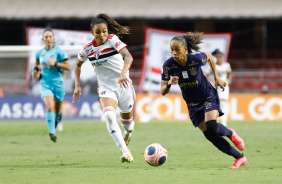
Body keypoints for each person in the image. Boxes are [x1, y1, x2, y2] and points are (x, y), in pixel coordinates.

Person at [161, 32, 247, 168]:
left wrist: (217, 77)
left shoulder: (195, 59)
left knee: (211, 125)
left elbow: (209, 56)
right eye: (172, 50)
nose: (174, 53)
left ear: (185, 49)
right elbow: (162, 91)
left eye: (177, 49)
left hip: (207, 96)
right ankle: (239, 158)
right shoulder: (168, 65)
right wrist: (170, 83)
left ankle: (230, 133)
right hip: (191, 103)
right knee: (209, 135)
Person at [72, 14, 136, 163]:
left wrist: (123, 73)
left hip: (124, 86)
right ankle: (125, 152)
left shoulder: (113, 40)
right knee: (108, 115)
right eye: (98, 32)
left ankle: (127, 133)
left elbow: (128, 57)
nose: (102, 35)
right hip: (106, 88)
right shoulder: (87, 49)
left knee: (128, 126)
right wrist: (77, 85)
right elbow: (77, 65)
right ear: (92, 33)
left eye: (104, 31)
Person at [32, 28, 70, 143]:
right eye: (46, 37)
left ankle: (56, 120)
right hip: (45, 84)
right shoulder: (39, 53)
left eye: (50, 37)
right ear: (42, 39)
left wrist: (56, 64)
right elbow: (37, 65)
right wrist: (35, 72)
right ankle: (52, 132)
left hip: (58, 84)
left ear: (53, 38)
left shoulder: (59, 51)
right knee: (49, 107)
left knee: (57, 111)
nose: (48, 39)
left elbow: (68, 67)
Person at [205, 49, 232, 126]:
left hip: (224, 87)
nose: (219, 58)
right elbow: (206, 76)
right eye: (218, 56)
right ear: (216, 57)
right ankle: (213, 121)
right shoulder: (212, 65)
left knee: (224, 103)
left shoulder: (226, 65)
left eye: (221, 56)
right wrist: (213, 82)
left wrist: (229, 80)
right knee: (215, 104)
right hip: (214, 87)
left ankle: (224, 122)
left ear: (223, 57)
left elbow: (230, 73)